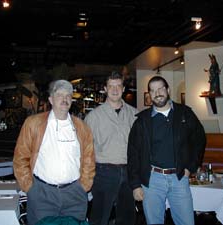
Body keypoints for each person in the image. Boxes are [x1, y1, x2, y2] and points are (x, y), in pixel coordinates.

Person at [13, 79, 96, 225]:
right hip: (42, 194)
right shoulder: (33, 123)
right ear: (51, 99)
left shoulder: (82, 127)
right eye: (59, 95)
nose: (64, 99)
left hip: (74, 194)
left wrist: (84, 185)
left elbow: (89, 160)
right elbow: (20, 158)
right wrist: (29, 188)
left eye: (68, 95)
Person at [127, 76, 206, 225]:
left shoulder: (185, 113)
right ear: (150, 95)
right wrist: (136, 185)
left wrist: (191, 166)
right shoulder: (142, 121)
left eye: (161, 88)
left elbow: (199, 139)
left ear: (168, 90)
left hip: (179, 178)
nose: (157, 93)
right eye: (153, 90)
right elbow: (133, 153)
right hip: (152, 180)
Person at [84, 71, 138, 225]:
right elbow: (85, 150)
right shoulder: (93, 117)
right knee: (99, 217)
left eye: (118, 85)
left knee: (127, 218)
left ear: (124, 88)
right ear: (105, 89)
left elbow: (140, 148)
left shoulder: (135, 115)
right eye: (111, 86)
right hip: (103, 172)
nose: (115, 89)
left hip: (129, 172)